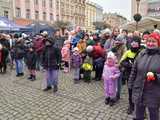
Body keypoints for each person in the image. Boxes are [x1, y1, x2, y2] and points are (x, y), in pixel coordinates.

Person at [128, 32, 160, 120]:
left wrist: (156, 76)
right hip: (139, 89)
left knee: (154, 115)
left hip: (154, 92)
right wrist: (130, 84)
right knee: (138, 115)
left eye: (153, 41)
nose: (150, 43)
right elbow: (134, 70)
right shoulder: (142, 53)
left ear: (158, 43)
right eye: (149, 41)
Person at [120, 36, 141, 114]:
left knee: (139, 92)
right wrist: (129, 64)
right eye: (133, 43)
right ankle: (131, 106)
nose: (134, 44)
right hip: (130, 76)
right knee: (130, 91)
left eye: (136, 43)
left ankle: (140, 108)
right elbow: (121, 61)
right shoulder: (128, 52)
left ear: (139, 44)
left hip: (139, 76)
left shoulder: (142, 52)